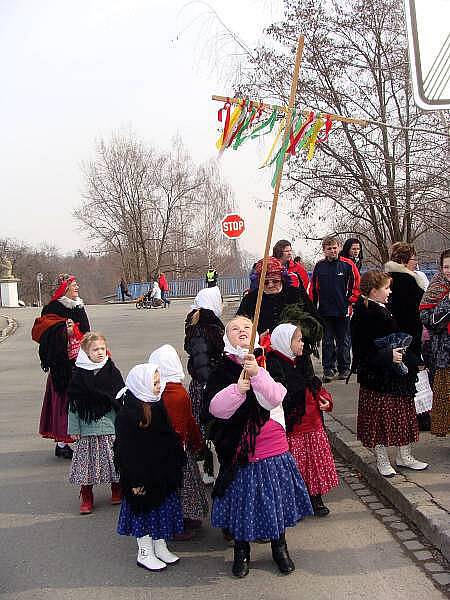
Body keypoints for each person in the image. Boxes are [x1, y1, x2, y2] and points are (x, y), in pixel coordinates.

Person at [205, 316, 313, 578]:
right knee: (243, 501)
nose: (241, 332)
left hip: (271, 440)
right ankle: (241, 551)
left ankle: (280, 548)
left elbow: (277, 397)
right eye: (234, 329)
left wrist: (257, 374)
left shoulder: (267, 360)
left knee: (274, 498)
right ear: (226, 336)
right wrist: (237, 390)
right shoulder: (221, 368)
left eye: (246, 328)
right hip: (239, 445)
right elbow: (215, 410)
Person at [350, 270, 428, 477]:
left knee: (403, 416)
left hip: (396, 375)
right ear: (374, 291)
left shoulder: (384, 307)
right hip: (378, 378)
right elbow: (361, 352)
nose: (390, 291)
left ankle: (404, 456)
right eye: (386, 288)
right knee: (380, 421)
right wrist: (386, 355)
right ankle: (382, 460)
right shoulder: (363, 313)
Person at [114, 363, 185, 571]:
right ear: (141, 385)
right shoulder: (128, 415)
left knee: (160, 511)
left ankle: (160, 545)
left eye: (158, 382)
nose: (158, 386)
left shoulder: (156, 404)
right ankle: (144, 551)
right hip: (141, 477)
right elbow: (127, 453)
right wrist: (135, 481)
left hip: (160, 473)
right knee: (144, 513)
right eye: (154, 383)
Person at [267, 324, 339, 517]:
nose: (302, 343)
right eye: (298, 340)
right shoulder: (274, 364)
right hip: (293, 427)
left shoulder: (303, 359)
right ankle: (296, 502)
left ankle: (315, 498)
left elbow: (314, 383)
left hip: (313, 423)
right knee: (296, 466)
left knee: (313, 464)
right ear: (284, 342)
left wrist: (324, 399)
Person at [148, 344, 209, 534]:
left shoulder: (157, 393)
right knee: (184, 488)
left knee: (176, 489)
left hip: (166, 451)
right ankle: (183, 520)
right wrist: (196, 442)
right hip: (180, 451)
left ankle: (179, 520)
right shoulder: (179, 392)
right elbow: (189, 421)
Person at [32, 274, 90, 459]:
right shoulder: (53, 308)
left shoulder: (78, 305)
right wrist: (65, 331)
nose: (77, 287)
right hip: (62, 365)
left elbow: (87, 330)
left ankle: (76, 440)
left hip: (79, 361)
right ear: (65, 287)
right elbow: (44, 333)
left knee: (79, 402)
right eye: (74, 285)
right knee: (63, 404)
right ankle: (62, 443)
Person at [67, 332, 124, 514]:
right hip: (87, 429)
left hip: (109, 426)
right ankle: (86, 494)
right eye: (95, 349)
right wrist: (74, 428)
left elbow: (120, 399)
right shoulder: (79, 375)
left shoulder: (112, 371)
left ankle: (116, 488)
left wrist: (124, 423)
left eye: (102, 348)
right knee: (86, 465)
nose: (100, 352)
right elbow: (74, 405)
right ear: (86, 352)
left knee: (113, 460)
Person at [184, 286, 224, 483]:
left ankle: (209, 468)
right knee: (207, 428)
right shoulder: (204, 328)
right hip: (206, 384)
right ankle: (208, 470)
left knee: (207, 427)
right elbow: (201, 360)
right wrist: (209, 383)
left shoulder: (202, 325)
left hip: (206, 382)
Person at [312, 236, 360, 382]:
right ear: (324, 250)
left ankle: (344, 368)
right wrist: (313, 307)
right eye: (329, 249)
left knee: (343, 341)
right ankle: (328, 369)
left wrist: (350, 300)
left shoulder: (348, 265)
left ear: (339, 248)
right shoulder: (319, 266)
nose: (332, 251)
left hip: (342, 310)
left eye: (334, 248)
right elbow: (314, 288)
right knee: (327, 342)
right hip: (325, 311)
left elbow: (356, 285)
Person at [237, 257, 320, 334]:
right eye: (265, 282)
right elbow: (238, 325)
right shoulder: (251, 298)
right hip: (263, 346)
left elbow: (314, 320)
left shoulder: (296, 294)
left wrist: (301, 332)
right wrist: (256, 338)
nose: (270, 285)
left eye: (275, 281)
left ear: (282, 278)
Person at [420, 249, 450, 437]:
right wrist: (448, 303)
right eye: (446, 267)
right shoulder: (436, 287)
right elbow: (427, 319)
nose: (449, 271)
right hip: (445, 353)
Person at [384, 242, 426, 361]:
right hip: (410, 334)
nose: (416, 262)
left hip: (393, 335)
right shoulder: (409, 281)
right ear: (403, 260)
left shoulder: (387, 278)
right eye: (414, 258)